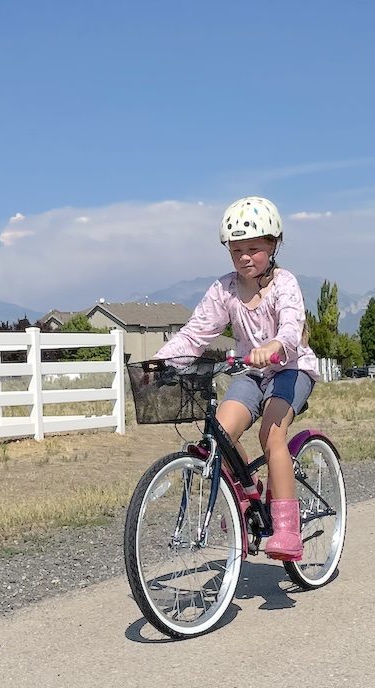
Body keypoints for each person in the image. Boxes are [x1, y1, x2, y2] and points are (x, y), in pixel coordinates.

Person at [154, 196, 319, 561]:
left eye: (254, 249)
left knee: (271, 434)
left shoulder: (284, 284)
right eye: (236, 250)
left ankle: (288, 530)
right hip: (251, 372)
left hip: (291, 369)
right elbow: (196, 333)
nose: (244, 257)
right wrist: (164, 361)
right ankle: (248, 491)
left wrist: (276, 344)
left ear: (273, 245)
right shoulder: (225, 288)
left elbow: (292, 327)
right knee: (220, 433)